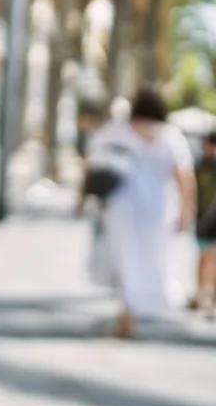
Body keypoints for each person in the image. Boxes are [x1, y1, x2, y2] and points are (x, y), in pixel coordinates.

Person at [78, 87, 196, 338]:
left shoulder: (116, 130)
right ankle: (133, 310)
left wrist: (81, 197)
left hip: (121, 208)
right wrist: (187, 209)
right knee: (149, 262)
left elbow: (91, 164)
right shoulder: (170, 135)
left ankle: (128, 311)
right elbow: (184, 176)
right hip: (158, 211)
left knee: (125, 259)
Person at [191, 131, 216, 317]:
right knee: (205, 257)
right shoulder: (200, 166)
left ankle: (207, 294)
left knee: (211, 258)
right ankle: (203, 293)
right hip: (203, 219)